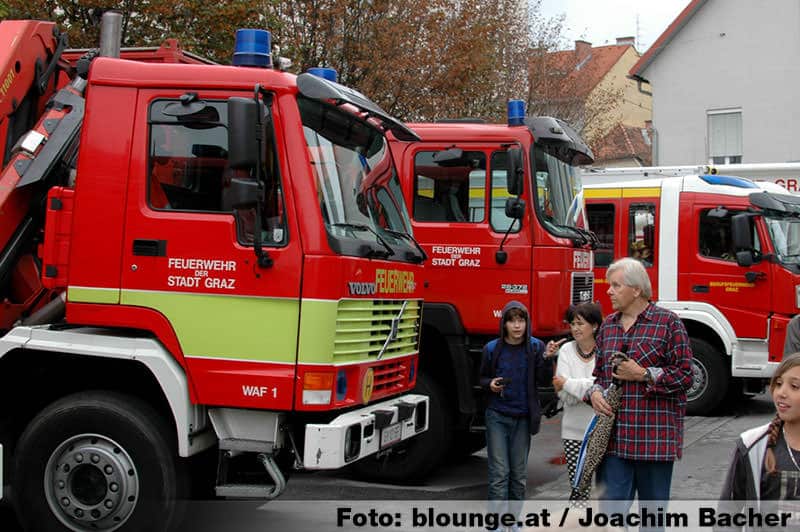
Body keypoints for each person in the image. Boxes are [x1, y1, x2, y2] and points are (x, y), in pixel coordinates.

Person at [586, 257, 693, 529]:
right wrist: (595, 393)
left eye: (615, 285)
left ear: (636, 289)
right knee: (609, 521)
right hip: (613, 443)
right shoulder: (608, 327)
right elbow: (599, 375)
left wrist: (645, 374)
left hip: (654, 441)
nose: (608, 291)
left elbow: (686, 376)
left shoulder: (669, 323)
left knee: (652, 522)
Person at [479, 301, 556, 531]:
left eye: (521, 320)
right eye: (511, 320)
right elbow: (482, 379)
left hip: (523, 417)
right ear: (504, 324)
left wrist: (547, 358)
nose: (516, 326)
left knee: (519, 475)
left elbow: (543, 381)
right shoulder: (492, 349)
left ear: (527, 322)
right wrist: (490, 384)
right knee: (499, 473)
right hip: (497, 416)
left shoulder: (535, 347)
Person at [718, 352, 800, 527]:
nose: (782, 393)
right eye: (778, 384)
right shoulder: (752, 445)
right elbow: (727, 514)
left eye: (794, 386)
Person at [552, 302, 603, 506]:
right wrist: (589, 391)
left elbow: (604, 388)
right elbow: (565, 397)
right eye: (572, 323)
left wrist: (569, 384)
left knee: (605, 490)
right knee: (579, 491)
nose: (575, 328)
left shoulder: (604, 350)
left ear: (595, 326)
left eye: (581, 323)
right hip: (573, 432)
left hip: (602, 433)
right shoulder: (565, 350)